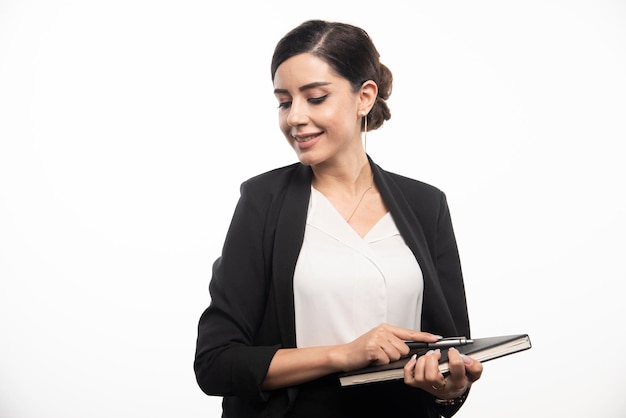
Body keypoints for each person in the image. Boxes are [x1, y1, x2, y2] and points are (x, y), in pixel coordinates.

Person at [194, 19, 483, 417]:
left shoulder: (425, 205)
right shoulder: (262, 201)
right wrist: (345, 355)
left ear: (364, 97)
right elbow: (217, 363)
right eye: (284, 101)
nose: (294, 117)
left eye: (314, 98)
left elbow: (451, 353)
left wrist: (448, 388)